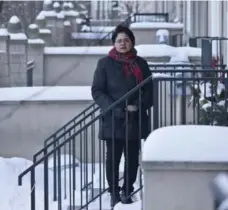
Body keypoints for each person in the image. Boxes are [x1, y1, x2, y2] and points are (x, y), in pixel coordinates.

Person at [91, 25, 153, 208]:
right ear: (114, 43)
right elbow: (97, 91)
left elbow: (149, 90)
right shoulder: (104, 63)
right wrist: (114, 108)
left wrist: (138, 105)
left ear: (132, 42)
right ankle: (114, 192)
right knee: (113, 158)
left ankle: (127, 190)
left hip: (135, 118)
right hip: (113, 119)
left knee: (132, 157)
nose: (123, 43)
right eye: (119, 40)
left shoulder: (141, 64)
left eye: (126, 40)